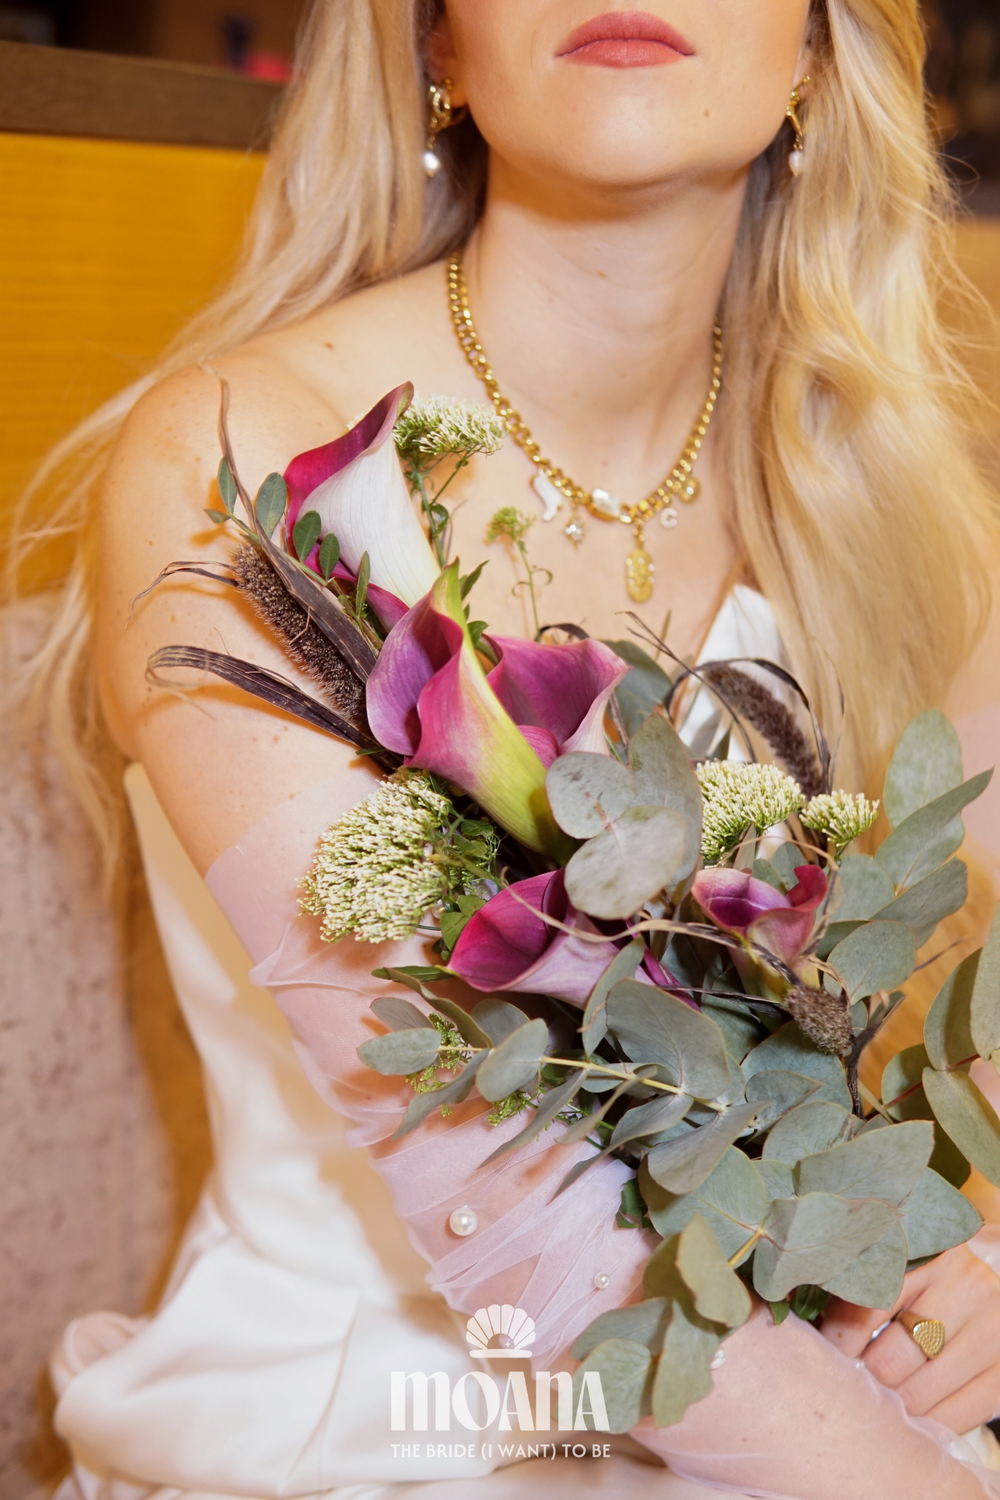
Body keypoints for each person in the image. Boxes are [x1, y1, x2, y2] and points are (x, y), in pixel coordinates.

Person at [11, 1, 1000, 1496]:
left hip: (782, 1385)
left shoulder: (886, 507)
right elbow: (511, 1202)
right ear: (434, 42)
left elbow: (904, 1036)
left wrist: (956, 1251)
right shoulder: (236, 469)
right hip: (360, 1425)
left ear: (816, 44)